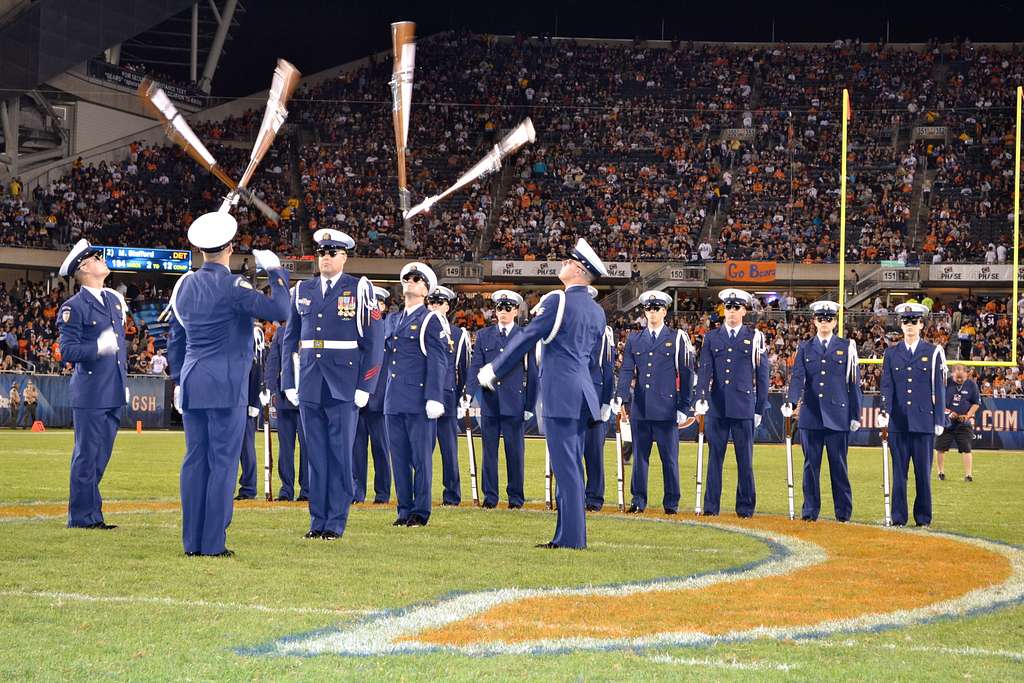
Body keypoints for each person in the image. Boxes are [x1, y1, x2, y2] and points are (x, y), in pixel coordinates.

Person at [167, 212, 290, 556]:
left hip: (193, 382)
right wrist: (276, 271)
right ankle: (212, 543)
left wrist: (178, 378)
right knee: (222, 462)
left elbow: (175, 338)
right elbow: (282, 310)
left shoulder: (185, 286)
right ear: (230, 248)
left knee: (195, 461)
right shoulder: (235, 287)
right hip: (225, 385)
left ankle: (191, 542)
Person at [478, 238, 609, 549]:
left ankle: (573, 538)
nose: (563, 264)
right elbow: (591, 358)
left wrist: (494, 368)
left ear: (578, 270)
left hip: (561, 395)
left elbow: (526, 337)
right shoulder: (596, 311)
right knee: (571, 465)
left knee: (566, 470)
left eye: (568, 262)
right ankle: (564, 535)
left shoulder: (558, 301)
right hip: (582, 393)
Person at [280, 228, 384, 540]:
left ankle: (335, 522)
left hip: (344, 382)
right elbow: (289, 340)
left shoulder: (360, 289)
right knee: (316, 454)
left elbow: (374, 342)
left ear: (344, 257)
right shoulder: (303, 290)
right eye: (322, 252)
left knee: (340, 454)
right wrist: (288, 380)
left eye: (332, 252)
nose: (326, 257)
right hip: (311, 381)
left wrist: (366, 386)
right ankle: (317, 521)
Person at [57, 239, 129, 530]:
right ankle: (82, 517)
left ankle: (91, 514)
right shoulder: (74, 306)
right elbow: (67, 351)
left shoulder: (111, 300)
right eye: (97, 258)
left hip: (111, 389)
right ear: (85, 267)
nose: (102, 260)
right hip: (90, 392)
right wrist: (98, 347)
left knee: (100, 457)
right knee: (87, 456)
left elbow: (119, 348)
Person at [613, 290, 694, 514]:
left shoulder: (676, 337)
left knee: (669, 459)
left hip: (667, 409)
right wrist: (621, 396)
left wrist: (684, 406)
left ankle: (671, 503)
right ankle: (638, 500)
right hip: (641, 407)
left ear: (665, 311)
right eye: (648, 309)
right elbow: (627, 370)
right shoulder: (635, 338)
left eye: (656, 308)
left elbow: (686, 373)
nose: (652, 313)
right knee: (639, 459)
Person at [782, 301, 861, 522]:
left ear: (835, 321)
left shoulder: (847, 347)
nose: (824, 323)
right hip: (811, 415)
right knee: (810, 466)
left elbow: (853, 383)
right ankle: (809, 511)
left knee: (839, 467)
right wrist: (790, 401)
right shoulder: (805, 347)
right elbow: (798, 377)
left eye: (828, 319)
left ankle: (843, 513)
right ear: (815, 321)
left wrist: (855, 414)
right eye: (820, 319)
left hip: (838, 416)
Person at [382, 262, 448, 527]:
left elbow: (438, 360)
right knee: (398, 459)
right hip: (393, 398)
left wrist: (435, 397)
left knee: (420, 458)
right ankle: (403, 510)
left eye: (416, 279)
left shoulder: (430, 319)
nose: (410, 281)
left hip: (419, 400)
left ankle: (420, 512)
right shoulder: (393, 319)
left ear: (425, 289)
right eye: (407, 278)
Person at [693, 288, 769, 518]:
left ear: (744, 310)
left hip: (744, 406)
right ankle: (710, 506)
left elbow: (762, 375)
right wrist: (700, 397)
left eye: (737, 308)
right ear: (723, 310)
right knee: (714, 458)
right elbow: (704, 370)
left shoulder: (755, 337)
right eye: (728, 307)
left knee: (745, 459)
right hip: (717, 406)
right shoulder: (712, 337)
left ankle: (745, 507)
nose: (732, 312)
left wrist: (759, 408)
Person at [465, 290, 537, 509]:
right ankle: (491, 497)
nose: (503, 312)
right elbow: (476, 365)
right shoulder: (485, 335)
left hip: (514, 403)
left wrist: (529, 403)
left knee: (515, 454)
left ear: (516, 311)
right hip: (490, 401)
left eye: (508, 308)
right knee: (489, 454)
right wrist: (469, 393)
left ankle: (516, 498)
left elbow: (532, 372)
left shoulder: (524, 335)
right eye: (499, 308)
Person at [877, 302, 946, 527]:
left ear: (922, 325)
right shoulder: (891, 353)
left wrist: (939, 419)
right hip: (898, 422)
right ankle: (898, 517)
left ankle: (923, 518)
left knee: (923, 474)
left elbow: (939, 387)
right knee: (899, 474)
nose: (909, 326)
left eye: (914, 322)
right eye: (905, 322)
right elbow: (886, 386)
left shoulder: (933, 352)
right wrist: (884, 411)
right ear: (901, 324)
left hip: (924, 421)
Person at [428, 285, 469, 506]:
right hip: (423, 398)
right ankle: (420, 494)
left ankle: (452, 496)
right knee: (421, 451)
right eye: (432, 302)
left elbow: (463, 368)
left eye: (440, 303)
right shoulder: (420, 328)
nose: (435, 306)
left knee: (449, 451)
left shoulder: (458, 334)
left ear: (447, 306)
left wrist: (460, 393)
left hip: (447, 397)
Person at [352, 286, 393, 504]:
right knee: (356, 450)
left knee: (381, 449)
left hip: (379, 401)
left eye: (376, 302)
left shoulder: (390, 332)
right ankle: (357, 492)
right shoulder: (356, 329)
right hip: (357, 399)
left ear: (384, 306)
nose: (372, 306)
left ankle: (383, 493)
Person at [266, 317, 307, 501]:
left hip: (307, 397)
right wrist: (270, 389)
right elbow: (272, 363)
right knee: (286, 447)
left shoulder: (313, 328)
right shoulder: (281, 333)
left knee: (308, 447)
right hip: (285, 398)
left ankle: (306, 489)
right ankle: (286, 489)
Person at [583, 285, 616, 511]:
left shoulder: (604, 332)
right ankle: (568, 497)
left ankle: (594, 499)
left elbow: (607, 368)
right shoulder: (562, 327)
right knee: (568, 454)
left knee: (594, 453)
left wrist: (606, 401)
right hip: (569, 398)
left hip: (594, 398)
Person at [235, 324, 266, 501]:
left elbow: (257, 367)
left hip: (245, 399)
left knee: (246, 448)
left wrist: (254, 400)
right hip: (229, 397)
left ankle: (248, 487)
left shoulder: (253, 332)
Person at [934, 363, 980, 483]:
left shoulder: (972, 385)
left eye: (962, 377)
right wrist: (949, 413)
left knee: (966, 449)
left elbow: (976, 403)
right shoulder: (946, 383)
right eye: (957, 377)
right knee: (940, 448)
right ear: (952, 373)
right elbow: (938, 401)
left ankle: (968, 475)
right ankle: (940, 472)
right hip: (946, 422)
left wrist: (967, 416)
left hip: (963, 423)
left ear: (967, 374)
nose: (959, 379)